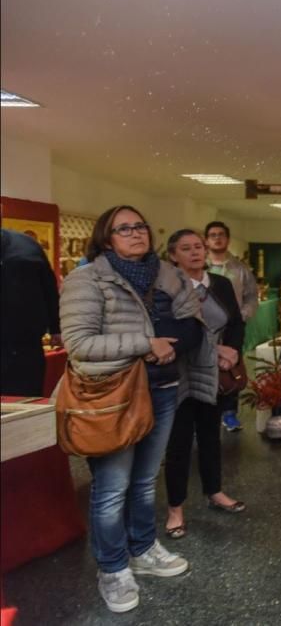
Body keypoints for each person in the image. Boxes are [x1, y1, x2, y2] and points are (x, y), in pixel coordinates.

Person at [60, 205, 202, 613]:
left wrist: (164, 347)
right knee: (111, 489)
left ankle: (142, 549)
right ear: (107, 238)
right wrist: (147, 344)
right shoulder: (87, 279)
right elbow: (81, 344)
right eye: (125, 229)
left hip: (163, 389)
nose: (137, 233)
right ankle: (113, 567)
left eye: (140, 226)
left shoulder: (168, 274)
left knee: (143, 483)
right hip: (114, 396)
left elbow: (192, 324)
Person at [163, 229, 247, 541]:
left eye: (198, 246)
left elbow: (236, 322)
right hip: (182, 371)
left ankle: (215, 491)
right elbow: (175, 331)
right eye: (186, 248)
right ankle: (175, 509)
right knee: (180, 442)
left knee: (211, 435)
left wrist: (233, 351)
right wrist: (215, 351)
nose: (195, 252)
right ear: (173, 256)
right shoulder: (167, 289)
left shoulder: (221, 284)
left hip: (214, 372)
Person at [204, 221, 257, 432]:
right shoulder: (201, 266)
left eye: (221, 235)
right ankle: (206, 411)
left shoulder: (239, 268)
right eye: (212, 235)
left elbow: (251, 296)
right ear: (206, 240)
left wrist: (241, 316)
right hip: (204, 327)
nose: (217, 238)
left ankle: (229, 413)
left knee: (231, 366)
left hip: (232, 328)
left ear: (227, 239)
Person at [1, 228, 61, 397]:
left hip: (25, 349)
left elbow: (48, 288)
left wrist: (56, 327)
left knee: (27, 407)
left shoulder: (28, 246)